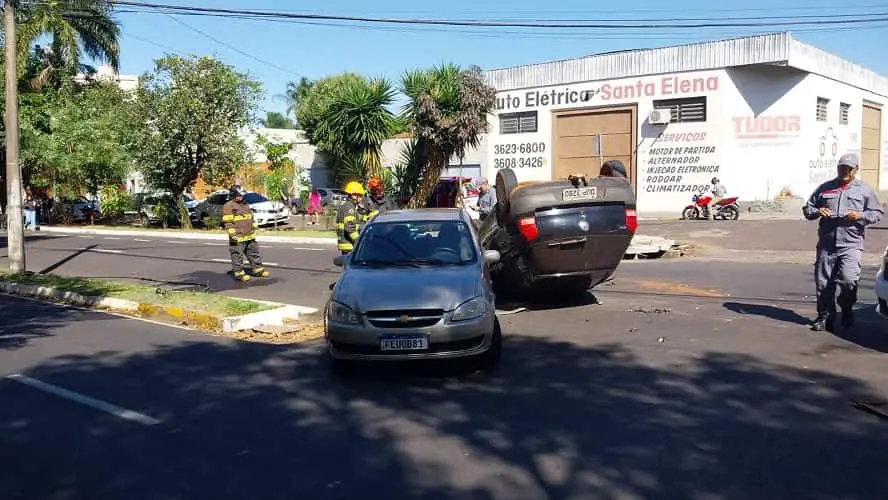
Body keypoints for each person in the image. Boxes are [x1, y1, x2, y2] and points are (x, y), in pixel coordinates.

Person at [803, 152, 883, 332]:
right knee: (823, 283)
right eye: (841, 168)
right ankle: (825, 315)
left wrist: (860, 215)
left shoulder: (864, 190)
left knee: (848, 280)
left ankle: (846, 307)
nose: (844, 171)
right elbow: (808, 208)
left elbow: (877, 213)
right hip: (827, 243)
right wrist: (818, 211)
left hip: (851, 243)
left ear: (856, 169)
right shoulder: (825, 188)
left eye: (848, 169)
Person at [222, 185, 269, 282]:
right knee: (237, 256)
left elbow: (250, 218)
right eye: (239, 195)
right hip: (237, 237)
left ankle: (258, 270)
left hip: (249, 235)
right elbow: (228, 222)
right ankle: (239, 274)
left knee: (254, 254)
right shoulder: (228, 206)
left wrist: (256, 227)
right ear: (233, 195)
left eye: (242, 195)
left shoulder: (245, 204)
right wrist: (232, 234)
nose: (241, 197)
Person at [336, 181, 368, 255]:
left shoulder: (350, 206)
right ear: (353, 195)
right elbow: (350, 227)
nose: (361, 198)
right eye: (359, 196)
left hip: (348, 244)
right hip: (349, 245)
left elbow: (360, 223)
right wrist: (358, 242)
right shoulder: (349, 207)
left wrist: (362, 211)